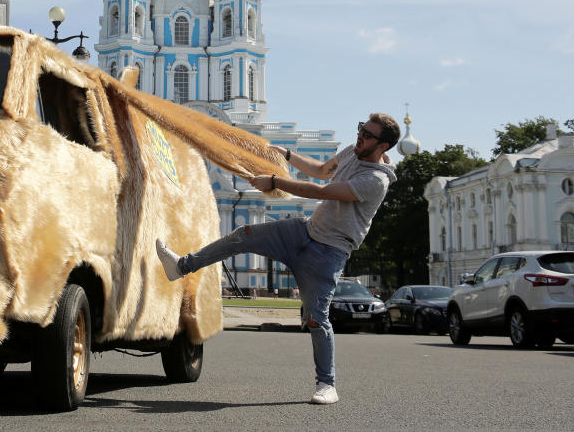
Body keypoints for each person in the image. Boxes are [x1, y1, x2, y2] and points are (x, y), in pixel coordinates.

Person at [156, 113, 400, 405]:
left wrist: (275, 180)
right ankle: (182, 266)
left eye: (368, 135)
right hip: (304, 231)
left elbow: (321, 190)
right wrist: (287, 154)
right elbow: (322, 170)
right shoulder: (352, 150)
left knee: (316, 318)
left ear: (383, 146)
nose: (360, 135)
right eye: (361, 129)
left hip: (328, 251)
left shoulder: (375, 180)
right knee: (243, 234)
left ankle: (327, 385)